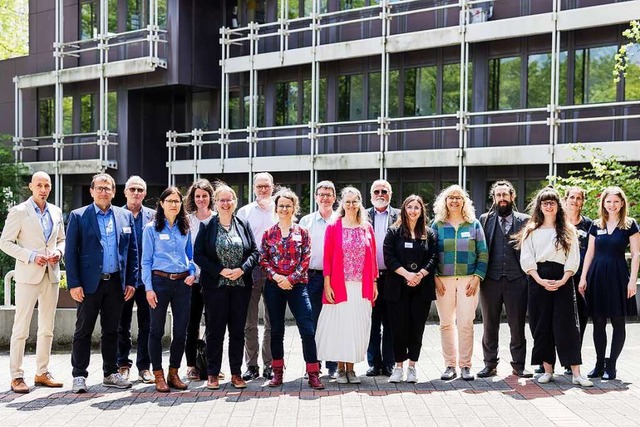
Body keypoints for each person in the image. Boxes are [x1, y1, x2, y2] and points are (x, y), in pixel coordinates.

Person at [65, 173, 138, 393]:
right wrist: (74, 284)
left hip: (116, 283)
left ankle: (110, 373)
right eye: (99, 188)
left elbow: (132, 252)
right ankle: (79, 375)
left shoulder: (125, 216)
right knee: (83, 331)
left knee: (112, 331)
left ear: (114, 192)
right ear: (92, 191)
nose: (103, 191)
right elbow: (71, 253)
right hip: (88, 285)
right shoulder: (79, 216)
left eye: (107, 188)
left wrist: (131, 281)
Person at [518, 187, 592, 387]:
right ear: (540, 206)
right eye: (545, 203)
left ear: (558, 205)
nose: (548, 206)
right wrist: (539, 279)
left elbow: (573, 257)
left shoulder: (567, 229)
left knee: (568, 325)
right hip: (538, 279)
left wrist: (564, 279)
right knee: (541, 324)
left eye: (552, 203)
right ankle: (547, 369)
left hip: (563, 279)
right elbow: (526, 257)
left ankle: (576, 372)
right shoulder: (531, 230)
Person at [0, 171, 65, 393]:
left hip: (52, 274)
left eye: (47, 185)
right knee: (21, 328)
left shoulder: (56, 211)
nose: (43, 189)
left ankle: (42, 372)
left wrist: (59, 251)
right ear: (31, 186)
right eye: (39, 185)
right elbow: (5, 242)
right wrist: (30, 256)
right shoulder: (19, 211)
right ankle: (16, 376)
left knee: (48, 328)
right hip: (28, 274)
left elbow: (62, 239)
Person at [194, 185, 259, 390]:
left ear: (234, 202)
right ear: (216, 202)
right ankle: (213, 373)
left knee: (237, 331)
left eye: (229, 199)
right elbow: (199, 256)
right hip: (216, 286)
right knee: (215, 331)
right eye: (221, 200)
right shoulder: (207, 226)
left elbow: (255, 253)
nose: (225, 203)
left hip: (240, 286)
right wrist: (220, 270)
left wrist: (241, 269)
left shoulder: (244, 224)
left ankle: (236, 373)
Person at [259, 188, 324, 389]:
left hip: (298, 286)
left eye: (288, 205)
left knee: (307, 328)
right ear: (276, 209)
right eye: (281, 206)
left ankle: (313, 372)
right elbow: (263, 259)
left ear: (294, 207)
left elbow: (306, 258)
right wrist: (278, 277)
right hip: (274, 286)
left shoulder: (302, 232)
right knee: (276, 330)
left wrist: (291, 279)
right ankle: (277, 372)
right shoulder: (269, 233)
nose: (284, 209)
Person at [316, 186, 378, 384]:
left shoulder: (366, 227)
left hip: (362, 286)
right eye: (347, 201)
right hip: (339, 285)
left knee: (357, 326)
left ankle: (352, 368)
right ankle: (341, 368)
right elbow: (327, 258)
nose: (351, 205)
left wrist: (375, 283)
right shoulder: (334, 226)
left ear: (360, 203)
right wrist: (327, 284)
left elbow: (373, 258)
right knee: (340, 327)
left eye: (355, 201)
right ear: (342, 203)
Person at [579, 186, 640, 381]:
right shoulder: (596, 225)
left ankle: (611, 365)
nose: (612, 205)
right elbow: (589, 252)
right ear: (603, 203)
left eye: (615, 201)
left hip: (618, 276)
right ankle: (598, 364)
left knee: (617, 321)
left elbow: (637, 254)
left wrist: (632, 280)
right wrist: (583, 277)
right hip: (596, 276)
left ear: (622, 203)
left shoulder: (630, 225)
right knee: (597, 321)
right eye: (608, 201)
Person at [142, 187, 196, 392]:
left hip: (183, 284)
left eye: (177, 201)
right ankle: (158, 375)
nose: (174, 204)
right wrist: (148, 288)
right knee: (156, 330)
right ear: (162, 204)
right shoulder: (151, 229)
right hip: (159, 282)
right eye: (170, 201)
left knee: (181, 330)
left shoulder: (185, 227)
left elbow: (190, 257)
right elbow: (145, 261)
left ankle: (174, 372)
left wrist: (192, 272)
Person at [477, 181, 532, 379]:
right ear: (494, 198)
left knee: (517, 325)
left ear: (512, 197)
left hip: (516, 279)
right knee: (489, 325)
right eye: (498, 195)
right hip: (490, 280)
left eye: (505, 195)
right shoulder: (484, 220)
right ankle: (489, 364)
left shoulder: (524, 220)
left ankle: (519, 365)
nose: (501, 199)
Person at [432, 185, 488, 381]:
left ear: (464, 201)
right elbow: (430, 254)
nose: (454, 200)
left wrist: (476, 277)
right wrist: (435, 277)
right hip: (443, 282)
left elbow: (483, 254)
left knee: (466, 324)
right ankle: (449, 365)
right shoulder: (437, 225)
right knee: (446, 324)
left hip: (468, 281)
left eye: (458, 197)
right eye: (450, 198)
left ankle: (465, 366)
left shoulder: (473, 224)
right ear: (444, 202)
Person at [383, 195, 437, 383]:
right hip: (397, 288)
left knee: (417, 328)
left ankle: (412, 366)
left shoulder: (428, 233)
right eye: (409, 207)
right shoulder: (393, 232)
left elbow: (433, 257)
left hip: (421, 289)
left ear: (422, 211)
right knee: (398, 328)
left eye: (417, 208)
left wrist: (420, 274)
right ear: (404, 209)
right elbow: (388, 257)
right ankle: (398, 367)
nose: (413, 211)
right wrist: (407, 275)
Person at [237, 172, 277, 380]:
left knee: (272, 322)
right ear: (254, 188)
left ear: (273, 187)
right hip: (250, 271)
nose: (263, 190)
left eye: (266, 186)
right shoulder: (244, 212)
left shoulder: (280, 210)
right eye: (259, 186)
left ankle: (269, 365)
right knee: (249, 322)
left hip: (274, 273)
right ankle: (251, 366)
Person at [116, 176, 156, 384]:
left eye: (140, 189)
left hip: (147, 281)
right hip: (124, 281)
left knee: (147, 325)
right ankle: (123, 364)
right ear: (125, 192)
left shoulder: (154, 216)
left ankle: (144, 367)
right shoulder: (117, 215)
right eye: (132, 189)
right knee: (122, 324)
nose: (136, 193)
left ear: (145, 193)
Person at [299, 180, 339, 378]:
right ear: (316, 197)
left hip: (335, 278)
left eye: (328, 194)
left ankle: (333, 365)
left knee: (332, 321)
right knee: (312, 321)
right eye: (321, 194)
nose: (324, 198)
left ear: (334, 198)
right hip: (311, 276)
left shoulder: (340, 220)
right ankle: (314, 365)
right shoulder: (306, 221)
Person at [184, 179, 217, 381]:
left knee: (215, 324)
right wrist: (191, 272)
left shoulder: (217, 218)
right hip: (192, 279)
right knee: (192, 323)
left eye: (205, 196)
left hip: (214, 279)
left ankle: (212, 365)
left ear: (210, 198)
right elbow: (183, 250)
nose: (201, 199)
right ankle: (191, 365)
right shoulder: (187, 220)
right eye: (197, 196)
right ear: (192, 198)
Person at [366, 179, 399, 377]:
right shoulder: (362, 216)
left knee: (390, 322)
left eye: (384, 191)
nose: (380, 194)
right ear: (371, 195)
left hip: (392, 276)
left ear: (390, 194)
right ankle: (373, 363)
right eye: (376, 191)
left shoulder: (399, 215)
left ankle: (389, 363)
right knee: (372, 322)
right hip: (369, 277)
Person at [563, 186, 592, 376]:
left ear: (582, 202)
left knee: (579, 319)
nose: (574, 201)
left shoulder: (589, 224)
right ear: (565, 200)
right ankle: (547, 361)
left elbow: (593, 251)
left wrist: (586, 277)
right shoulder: (558, 221)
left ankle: (572, 361)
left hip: (581, 278)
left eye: (578, 198)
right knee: (557, 318)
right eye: (571, 197)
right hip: (560, 277)